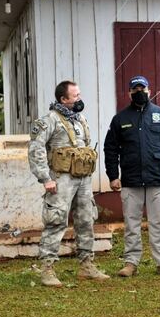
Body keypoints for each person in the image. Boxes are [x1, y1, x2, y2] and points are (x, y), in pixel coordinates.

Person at [28, 80, 109, 287]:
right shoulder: (49, 121)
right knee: (56, 221)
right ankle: (47, 268)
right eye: (75, 96)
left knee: (86, 219)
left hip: (83, 178)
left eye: (79, 94)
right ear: (64, 99)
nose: (80, 99)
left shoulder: (80, 119)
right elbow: (36, 149)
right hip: (60, 179)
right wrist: (45, 178)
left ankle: (86, 265)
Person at [103, 75, 160, 278]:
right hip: (130, 180)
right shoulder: (120, 119)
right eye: (135, 89)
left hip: (157, 179)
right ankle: (131, 262)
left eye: (142, 89)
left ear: (149, 90)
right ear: (129, 93)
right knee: (131, 223)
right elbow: (110, 149)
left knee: (159, 222)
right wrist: (113, 175)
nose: (139, 92)